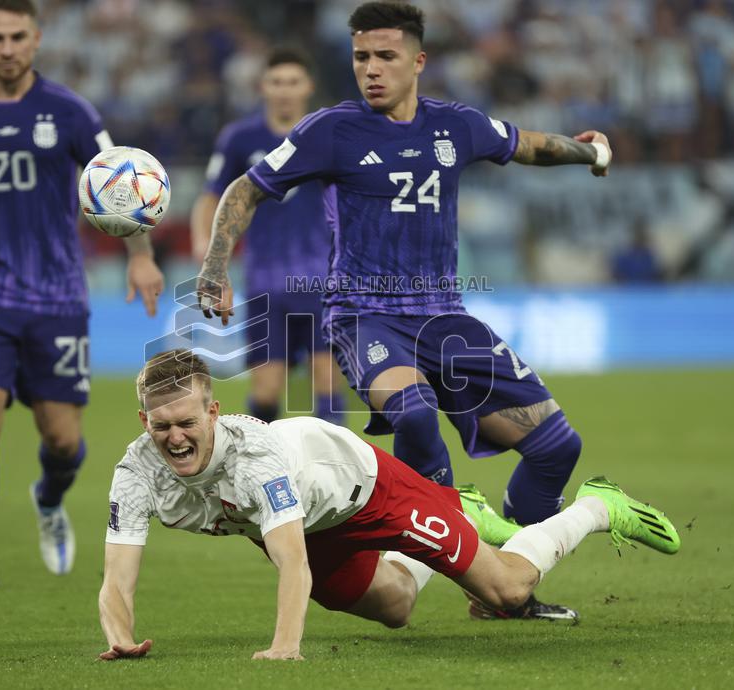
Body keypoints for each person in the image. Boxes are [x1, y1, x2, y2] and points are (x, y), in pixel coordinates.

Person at [195, 1, 613, 619]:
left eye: (386, 56)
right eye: (361, 57)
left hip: (445, 319)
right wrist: (214, 265)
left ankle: (503, 581)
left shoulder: (455, 125)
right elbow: (245, 189)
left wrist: (588, 153)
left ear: (418, 61)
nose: (371, 69)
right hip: (364, 316)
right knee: (414, 414)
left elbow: (527, 145)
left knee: (557, 448)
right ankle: (476, 567)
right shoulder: (329, 130)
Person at [97, 349, 679, 661]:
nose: (175, 438)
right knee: (396, 609)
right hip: (309, 521)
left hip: (367, 488)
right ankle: (461, 511)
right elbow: (117, 578)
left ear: (214, 412)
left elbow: (292, 562)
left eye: (187, 423)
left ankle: (596, 507)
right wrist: (120, 636)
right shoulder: (136, 473)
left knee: (505, 591)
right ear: (144, 421)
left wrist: (284, 648)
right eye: (162, 426)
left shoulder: (256, 459)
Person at [0, 0, 164, 592]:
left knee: (63, 440)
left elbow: (119, 179)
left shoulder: (70, 112)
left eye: (17, 37)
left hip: (57, 293)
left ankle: (48, 499)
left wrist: (141, 256)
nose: (7, 48)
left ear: (37, 39)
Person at [190, 46, 346, 426]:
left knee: (327, 386)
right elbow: (212, 197)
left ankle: (332, 464)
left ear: (308, 86)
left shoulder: (328, 137)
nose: (284, 90)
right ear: (263, 87)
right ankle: (265, 457)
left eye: (293, 82)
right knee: (266, 393)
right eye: (277, 82)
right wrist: (205, 247)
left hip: (322, 281)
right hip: (265, 283)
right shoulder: (240, 139)